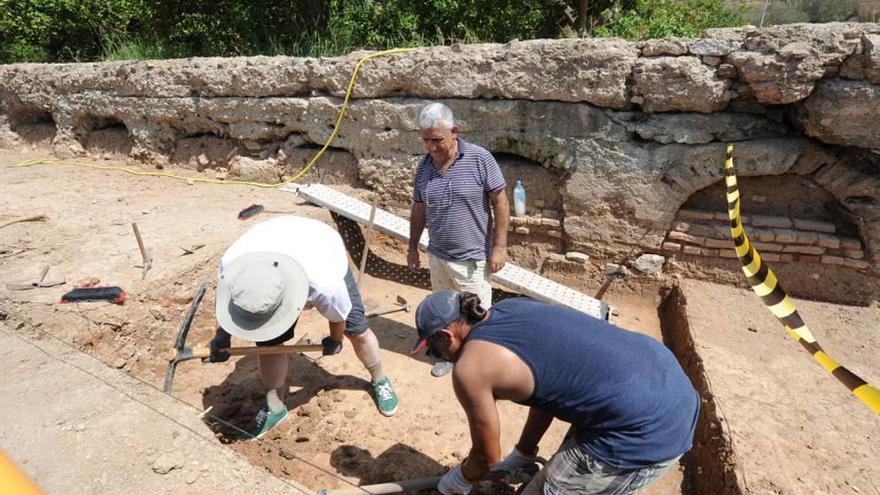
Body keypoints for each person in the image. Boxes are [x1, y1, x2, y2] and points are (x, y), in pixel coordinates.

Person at [410, 291, 700, 495]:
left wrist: (459, 480)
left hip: (646, 433)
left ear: (447, 336)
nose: (440, 357)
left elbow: (487, 458)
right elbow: (548, 390)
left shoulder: (470, 368)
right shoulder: (513, 308)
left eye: (434, 351)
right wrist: (524, 452)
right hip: (665, 382)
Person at [207, 215, 399, 439]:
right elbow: (227, 304)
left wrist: (335, 340)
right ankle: (275, 407)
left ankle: (379, 379)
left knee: (357, 329)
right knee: (269, 344)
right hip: (271, 240)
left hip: (319, 243)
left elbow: (339, 318)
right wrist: (222, 335)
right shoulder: (231, 266)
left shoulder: (324, 282)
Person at [407, 102, 510, 377]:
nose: (431, 147)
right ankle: (449, 356)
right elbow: (419, 208)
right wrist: (412, 247)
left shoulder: (479, 159)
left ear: (454, 131)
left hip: (471, 258)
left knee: (478, 316)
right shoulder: (424, 166)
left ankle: (482, 365)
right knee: (445, 313)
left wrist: (499, 247)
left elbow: (500, 201)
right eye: (426, 140)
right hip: (437, 255)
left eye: (437, 140)